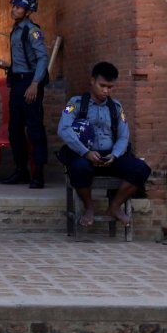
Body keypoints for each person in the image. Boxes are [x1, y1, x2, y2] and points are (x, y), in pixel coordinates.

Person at [56, 61, 151, 227]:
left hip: (110, 157)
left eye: (110, 87)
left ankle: (114, 206)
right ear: (92, 81)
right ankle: (89, 207)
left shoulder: (116, 107)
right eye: (102, 85)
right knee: (78, 169)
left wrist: (114, 154)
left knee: (141, 169)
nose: (106, 91)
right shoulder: (76, 103)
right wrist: (86, 152)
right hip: (85, 156)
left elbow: (123, 135)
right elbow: (63, 129)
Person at [0, 0, 49, 188]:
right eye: (14, 6)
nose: (14, 10)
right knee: (15, 129)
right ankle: (21, 170)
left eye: (19, 7)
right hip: (18, 83)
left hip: (30, 82)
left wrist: (35, 84)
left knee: (35, 130)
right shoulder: (16, 29)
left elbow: (42, 58)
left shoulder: (32, 30)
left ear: (28, 11)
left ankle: (38, 174)